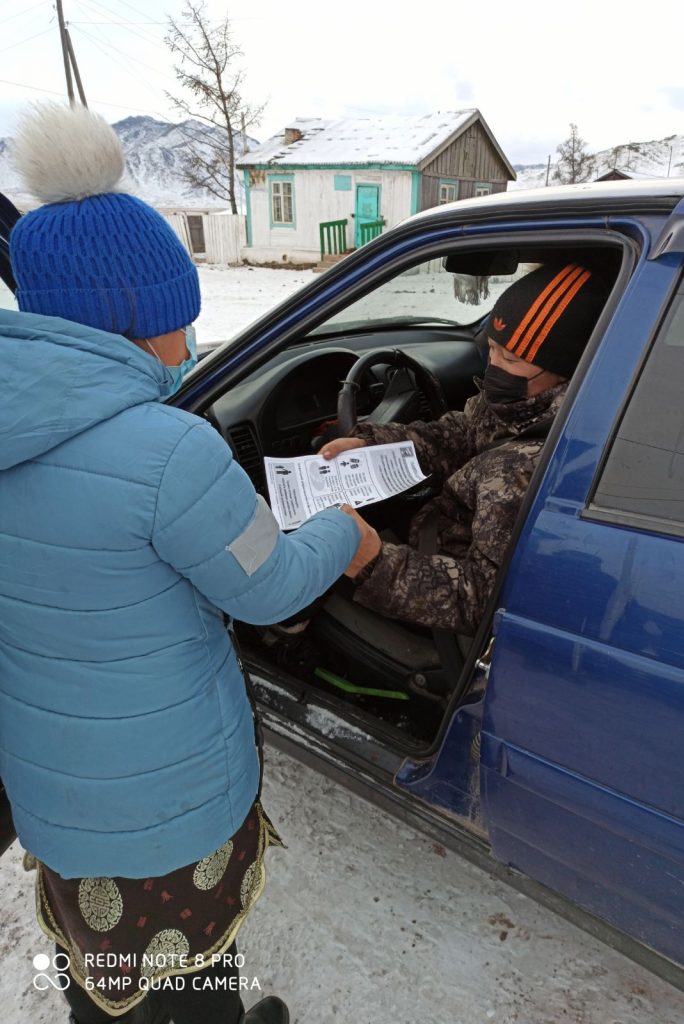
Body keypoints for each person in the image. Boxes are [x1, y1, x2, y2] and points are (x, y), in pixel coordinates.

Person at [0, 103, 378, 1024]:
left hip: (55, 790)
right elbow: (271, 587)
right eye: (182, 319)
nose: (191, 340)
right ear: (138, 321)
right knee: (193, 977)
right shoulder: (168, 451)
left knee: (101, 967)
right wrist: (344, 530)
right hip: (169, 800)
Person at [320, 261, 610, 636]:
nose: (494, 366)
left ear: (566, 371)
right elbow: (464, 431)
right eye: (492, 348)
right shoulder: (523, 402)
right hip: (439, 529)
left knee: (321, 574)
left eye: (511, 359)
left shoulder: (525, 470)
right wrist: (374, 442)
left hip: (441, 592)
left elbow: (483, 601)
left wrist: (373, 562)